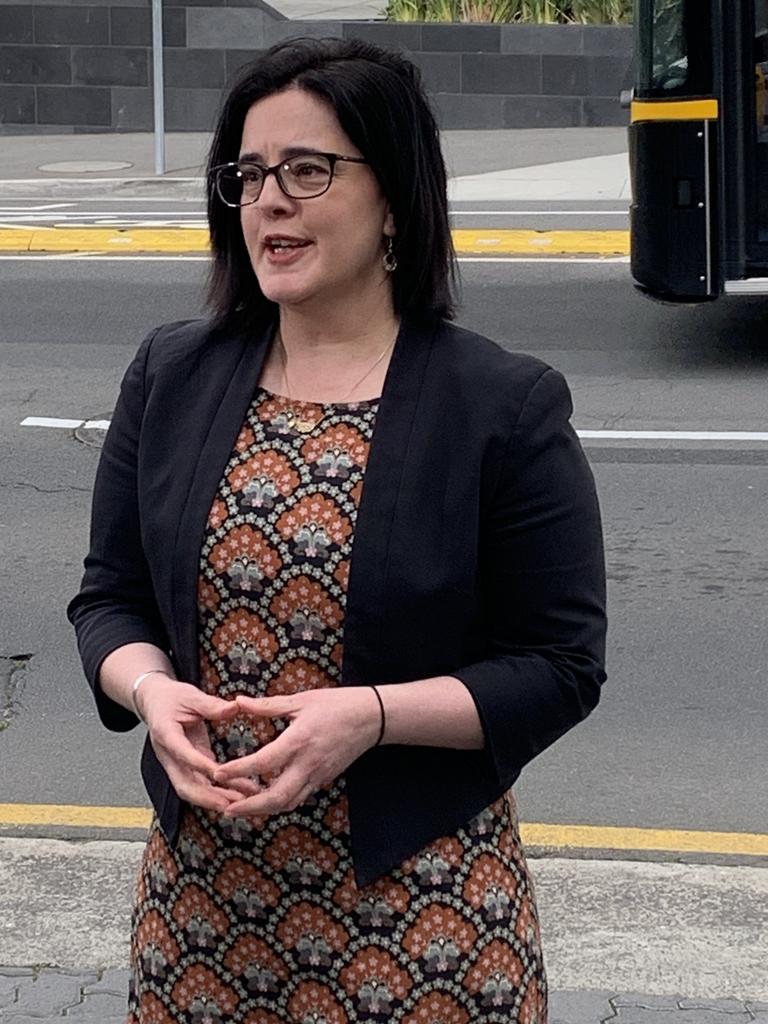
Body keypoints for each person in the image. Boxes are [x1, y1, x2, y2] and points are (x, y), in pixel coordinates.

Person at [67, 37, 606, 1024]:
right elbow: (110, 596)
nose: (271, 197)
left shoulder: (501, 403)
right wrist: (150, 691)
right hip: (203, 926)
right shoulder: (171, 372)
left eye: (308, 169)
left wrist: (371, 713)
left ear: (393, 196)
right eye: (248, 173)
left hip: (421, 920)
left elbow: (559, 664)